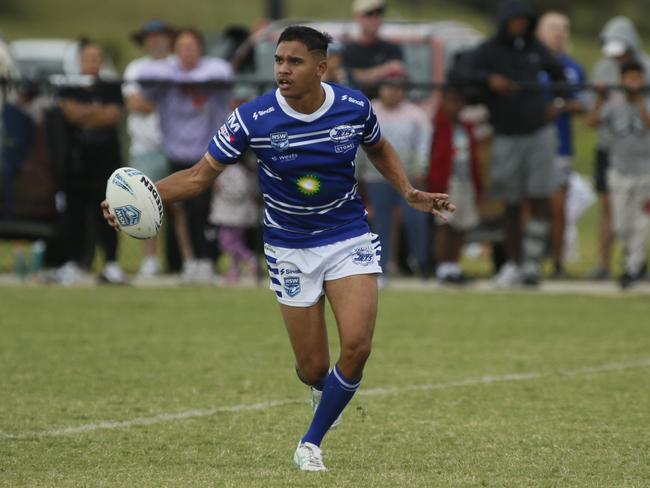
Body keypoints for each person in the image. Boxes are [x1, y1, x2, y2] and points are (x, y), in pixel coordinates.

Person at [102, 25, 454, 471]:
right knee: (313, 367)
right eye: (278, 61)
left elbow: (379, 146)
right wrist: (140, 197)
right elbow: (196, 177)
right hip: (289, 248)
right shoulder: (253, 118)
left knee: (359, 346)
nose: (283, 70)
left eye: (295, 61)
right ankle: (319, 388)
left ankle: (310, 444)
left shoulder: (352, 106)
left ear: (321, 67)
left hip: (347, 236)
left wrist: (408, 191)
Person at [460, 0, 566, 287]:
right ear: (505, 22)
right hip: (506, 134)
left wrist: (557, 102)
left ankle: (533, 264)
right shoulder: (489, 50)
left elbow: (560, 75)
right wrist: (488, 79)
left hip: (539, 132)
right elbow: (462, 73)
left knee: (541, 197)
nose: (519, 26)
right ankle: (514, 263)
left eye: (523, 20)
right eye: (514, 20)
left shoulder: (535, 48)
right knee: (511, 203)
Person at [137, 28, 233, 282]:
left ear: (201, 49)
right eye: (181, 47)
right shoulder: (166, 75)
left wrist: (187, 76)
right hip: (176, 155)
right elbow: (143, 75)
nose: (186, 52)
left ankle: (208, 261)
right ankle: (189, 261)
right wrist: (176, 72)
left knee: (206, 210)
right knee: (181, 213)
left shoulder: (213, 72)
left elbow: (223, 73)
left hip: (208, 155)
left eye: (191, 46)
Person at [57, 38, 125, 284]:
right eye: (88, 58)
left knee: (109, 212)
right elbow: (69, 112)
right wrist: (95, 113)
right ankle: (75, 262)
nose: (93, 62)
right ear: (79, 61)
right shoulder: (68, 86)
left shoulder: (111, 87)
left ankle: (111, 263)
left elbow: (112, 116)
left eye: (97, 58)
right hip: (77, 160)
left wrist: (84, 114)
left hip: (105, 159)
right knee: (74, 214)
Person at [355, 69, 432, 282]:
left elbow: (423, 144)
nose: (394, 92)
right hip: (376, 177)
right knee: (381, 222)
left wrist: (420, 169)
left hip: (408, 178)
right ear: (380, 88)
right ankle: (382, 267)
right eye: (389, 86)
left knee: (414, 219)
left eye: (399, 87)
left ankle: (421, 262)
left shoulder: (415, 114)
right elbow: (360, 145)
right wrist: (359, 172)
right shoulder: (370, 110)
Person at [589, 16, 650, 280]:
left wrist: (638, 99)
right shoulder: (603, 69)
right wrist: (603, 98)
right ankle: (608, 263)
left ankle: (635, 265)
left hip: (644, 158)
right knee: (614, 213)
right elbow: (592, 118)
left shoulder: (646, 66)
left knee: (641, 216)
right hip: (612, 151)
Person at [123, 19, 175, 278]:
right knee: (146, 205)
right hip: (145, 146)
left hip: (176, 145)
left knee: (180, 206)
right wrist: (168, 104)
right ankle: (150, 259)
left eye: (161, 36)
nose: (156, 41)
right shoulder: (136, 68)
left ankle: (181, 259)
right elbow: (135, 103)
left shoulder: (178, 66)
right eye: (151, 37)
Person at [536, 11, 586, 278]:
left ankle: (557, 262)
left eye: (564, 28)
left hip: (561, 147)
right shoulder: (531, 64)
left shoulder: (573, 67)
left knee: (558, 207)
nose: (559, 33)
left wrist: (561, 106)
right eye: (553, 28)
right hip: (532, 145)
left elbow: (583, 103)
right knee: (531, 205)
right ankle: (527, 261)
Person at [429, 87, 482, 284]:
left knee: (461, 225)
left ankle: (454, 265)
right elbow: (435, 158)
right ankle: (443, 267)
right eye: (450, 101)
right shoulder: (439, 127)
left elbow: (473, 159)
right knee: (446, 224)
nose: (454, 106)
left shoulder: (466, 128)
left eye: (458, 102)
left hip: (464, 182)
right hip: (446, 184)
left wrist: (477, 184)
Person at [343, 0, 405, 99]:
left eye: (379, 14)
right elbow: (348, 78)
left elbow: (398, 76)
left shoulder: (393, 48)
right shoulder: (346, 50)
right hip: (354, 107)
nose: (375, 18)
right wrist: (386, 69)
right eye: (369, 14)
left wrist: (362, 75)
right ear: (357, 17)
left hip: (385, 109)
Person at [208, 160, 258, 283]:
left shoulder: (236, 170)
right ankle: (234, 270)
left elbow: (240, 191)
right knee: (233, 243)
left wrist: (221, 188)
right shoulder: (225, 169)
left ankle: (250, 258)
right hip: (227, 215)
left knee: (227, 243)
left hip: (236, 215)